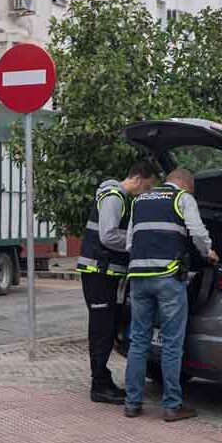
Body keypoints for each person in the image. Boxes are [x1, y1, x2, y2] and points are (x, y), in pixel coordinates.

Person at [124, 168, 219, 422]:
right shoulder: (183, 199)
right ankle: (171, 406)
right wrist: (208, 253)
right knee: (171, 343)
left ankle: (132, 404)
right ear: (186, 185)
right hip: (167, 278)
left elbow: (130, 243)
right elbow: (197, 233)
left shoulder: (139, 201)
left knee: (138, 341)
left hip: (138, 278)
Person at [76, 161, 158, 404]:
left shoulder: (119, 197)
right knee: (101, 329)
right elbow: (108, 235)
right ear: (141, 178)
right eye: (149, 186)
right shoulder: (114, 197)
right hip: (98, 272)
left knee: (107, 327)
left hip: (104, 273)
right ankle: (99, 385)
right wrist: (138, 239)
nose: (148, 191)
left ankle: (102, 379)